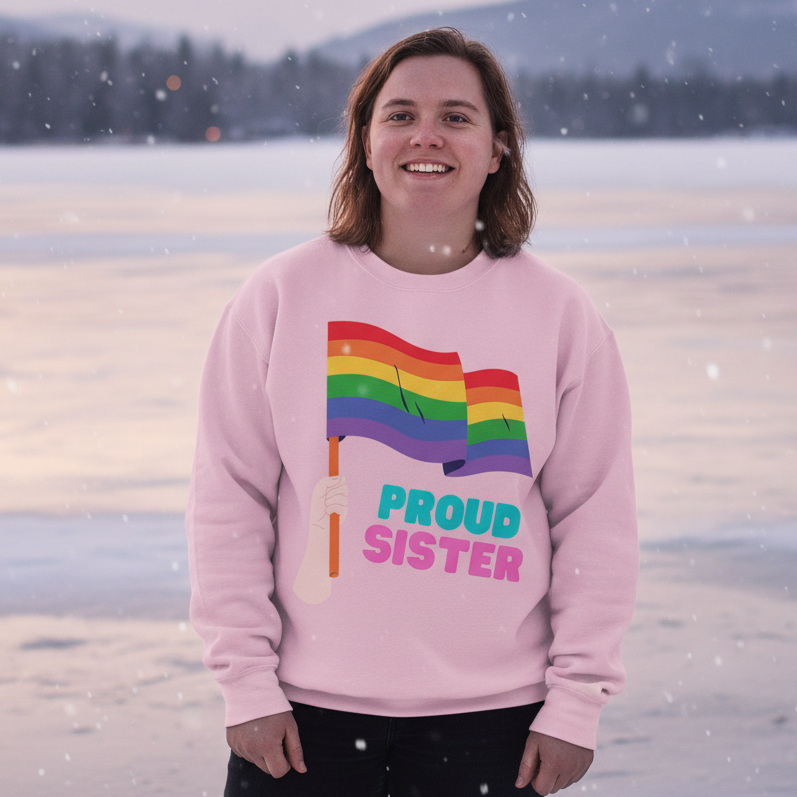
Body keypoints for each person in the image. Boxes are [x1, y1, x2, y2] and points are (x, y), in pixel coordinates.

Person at [186, 27, 638, 797]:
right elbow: (230, 500)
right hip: (303, 717)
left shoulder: (558, 313)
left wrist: (576, 703)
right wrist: (247, 685)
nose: (425, 136)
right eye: (399, 115)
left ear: (498, 148)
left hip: (498, 724)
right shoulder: (282, 296)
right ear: (365, 142)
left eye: (456, 117)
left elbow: (594, 519)